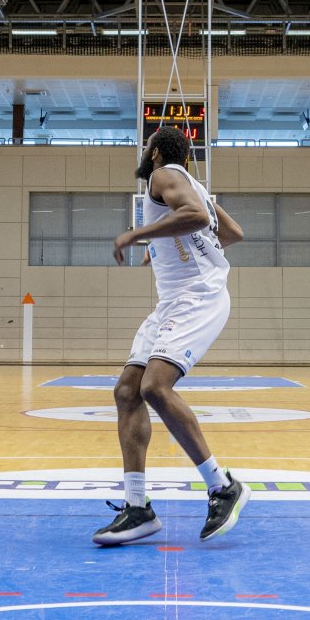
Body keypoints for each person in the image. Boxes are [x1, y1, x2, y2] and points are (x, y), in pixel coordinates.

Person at [92, 126, 248, 547]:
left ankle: (222, 486)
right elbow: (230, 233)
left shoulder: (163, 175)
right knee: (127, 391)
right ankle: (137, 507)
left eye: (147, 148)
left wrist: (137, 235)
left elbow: (195, 216)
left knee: (155, 387)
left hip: (197, 297)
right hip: (172, 301)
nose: (145, 154)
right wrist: (162, 245)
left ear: (156, 152)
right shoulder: (193, 184)